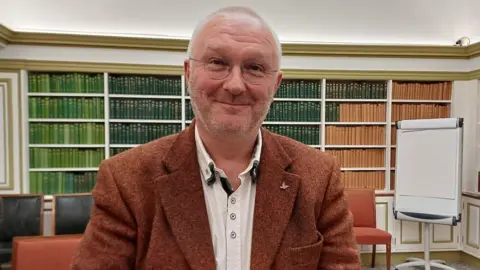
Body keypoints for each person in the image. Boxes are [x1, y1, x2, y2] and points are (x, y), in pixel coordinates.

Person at [70, 6, 361, 270]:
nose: (235, 85)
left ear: (276, 84)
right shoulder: (126, 180)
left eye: (254, 68)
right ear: (188, 73)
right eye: (217, 62)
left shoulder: (319, 177)